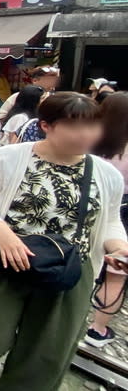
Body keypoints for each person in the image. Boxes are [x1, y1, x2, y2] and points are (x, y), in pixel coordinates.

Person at [0, 93, 128, 390]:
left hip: (70, 270)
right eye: (75, 126)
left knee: (44, 354)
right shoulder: (9, 157)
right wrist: (2, 230)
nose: (86, 135)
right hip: (8, 259)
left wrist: (119, 249)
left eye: (92, 126)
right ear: (46, 125)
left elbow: (111, 221)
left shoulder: (106, 174)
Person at [86, 92, 128, 347]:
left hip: (87, 204)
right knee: (115, 275)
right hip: (122, 210)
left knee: (82, 258)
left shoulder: (89, 138)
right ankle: (97, 328)